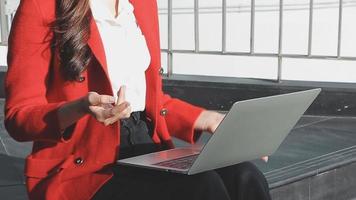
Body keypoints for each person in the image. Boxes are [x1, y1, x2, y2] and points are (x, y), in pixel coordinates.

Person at [4, 0, 271, 199]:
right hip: (84, 164)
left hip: (147, 148)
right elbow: (19, 116)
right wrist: (79, 108)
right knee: (201, 188)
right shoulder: (42, 6)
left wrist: (209, 119)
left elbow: (152, 99)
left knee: (245, 177)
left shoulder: (141, 4)